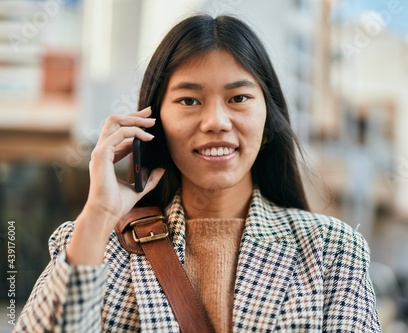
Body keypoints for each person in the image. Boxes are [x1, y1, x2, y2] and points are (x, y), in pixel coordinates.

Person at [15, 14, 381, 332]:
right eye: (189, 100)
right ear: (153, 123)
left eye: (238, 98)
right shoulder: (95, 246)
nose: (217, 122)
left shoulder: (332, 251)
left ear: (268, 120)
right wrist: (97, 216)